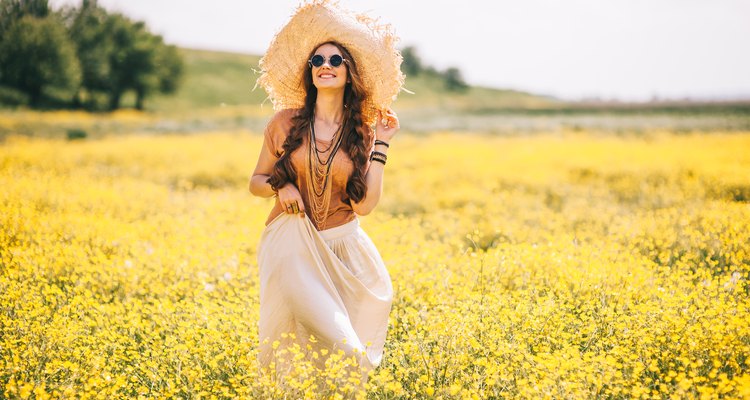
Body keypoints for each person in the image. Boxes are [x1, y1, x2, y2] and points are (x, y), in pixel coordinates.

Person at [249, 0, 405, 375]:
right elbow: (255, 182)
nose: (324, 67)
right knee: (339, 347)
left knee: (333, 356)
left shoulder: (362, 133)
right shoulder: (284, 122)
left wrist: (382, 142)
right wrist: (280, 187)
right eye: (316, 62)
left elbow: (365, 207)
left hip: (344, 244)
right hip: (293, 244)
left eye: (335, 61)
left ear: (349, 73)